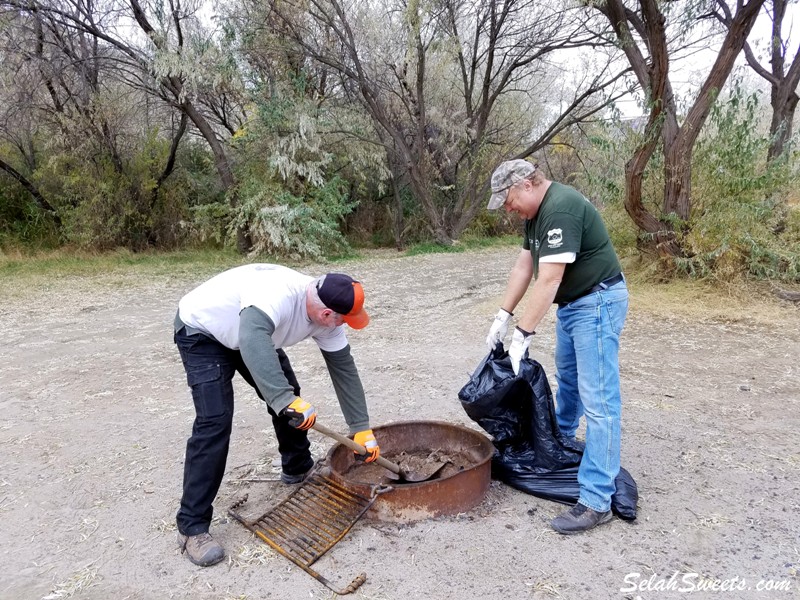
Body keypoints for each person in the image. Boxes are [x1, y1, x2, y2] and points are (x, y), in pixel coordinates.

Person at [173, 264, 381, 566]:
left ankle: (297, 467)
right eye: (343, 320)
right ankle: (191, 527)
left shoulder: (327, 314)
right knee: (215, 421)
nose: (344, 325)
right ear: (326, 316)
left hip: (251, 334)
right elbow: (252, 336)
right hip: (202, 332)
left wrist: (360, 427)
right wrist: (283, 399)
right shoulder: (277, 296)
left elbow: (343, 369)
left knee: (290, 395)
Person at [485, 159, 629, 534]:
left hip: (596, 303)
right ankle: (556, 447)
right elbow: (524, 269)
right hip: (575, 305)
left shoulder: (560, 208)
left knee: (599, 401)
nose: (507, 207)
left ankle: (596, 500)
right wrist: (503, 314)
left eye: (508, 198)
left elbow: (548, 281)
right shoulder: (536, 216)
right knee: (568, 381)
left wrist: (523, 335)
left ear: (528, 184)